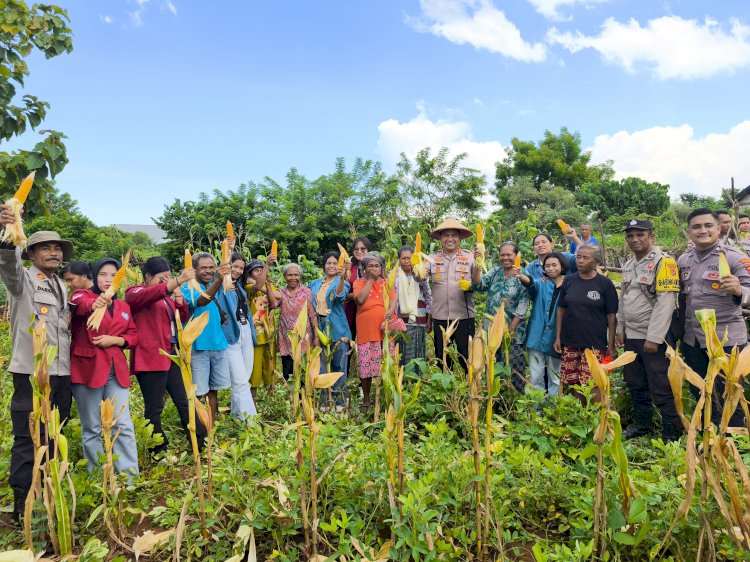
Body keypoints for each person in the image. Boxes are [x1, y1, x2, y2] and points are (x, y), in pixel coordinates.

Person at [0, 226, 74, 521]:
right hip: (31, 372)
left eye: (57, 248)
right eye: (45, 248)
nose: (54, 252)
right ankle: (22, 504)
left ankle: (47, 489)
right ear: (30, 253)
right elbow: (8, 262)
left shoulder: (60, 285)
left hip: (60, 372)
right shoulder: (22, 281)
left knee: (54, 433)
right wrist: (7, 232)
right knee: (27, 436)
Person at [126, 256, 207, 457]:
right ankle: (158, 450)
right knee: (154, 407)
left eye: (168, 277)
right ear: (147, 276)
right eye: (161, 278)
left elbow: (183, 317)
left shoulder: (166, 297)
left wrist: (178, 295)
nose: (166, 282)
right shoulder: (135, 292)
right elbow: (145, 296)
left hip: (171, 355)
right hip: (150, 358)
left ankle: (201, 443)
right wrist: (176, 282)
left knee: (184, 400)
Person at [678, 208, 750, 428]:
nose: (703, 230)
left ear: (718, 228)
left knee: (730, 393)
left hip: (725, 341)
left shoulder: (735, 258)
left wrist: (739, 291)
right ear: (689, 232)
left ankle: (734, 444)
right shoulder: (683, 261)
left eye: (708, 225)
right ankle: (708, 439)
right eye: (696, 227)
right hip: (693, 340)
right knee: (701, 391)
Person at [70, 258, 139, 477]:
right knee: (92, 427)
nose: (108, 280)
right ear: (94, 277)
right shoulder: (83, 295)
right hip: (87, 370)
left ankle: (129, 477)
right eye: (103, 275)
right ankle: (98, 477)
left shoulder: (123, 306)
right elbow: (80, 305)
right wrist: (95, 303)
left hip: (115, 371)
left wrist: (116, 341)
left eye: (113, 275)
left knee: (123, 424)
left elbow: (133, 335)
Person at [616, 219, 682, 442]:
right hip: (632, 336)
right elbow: (624, 299)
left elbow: (666, 303)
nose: (634, 239)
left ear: (651, 236)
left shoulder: (664, 263)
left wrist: (654, 338)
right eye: (630, 235)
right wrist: (620, 328)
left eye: (640, 234)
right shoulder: (629, 264)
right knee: (635, 382)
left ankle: (672, 429)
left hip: (654, 337)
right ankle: (642, 424)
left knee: (661, 383)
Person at [553, 244, 618, 403]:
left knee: (593, 382)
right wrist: (558, 337)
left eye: (585, 258)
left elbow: (611, 316)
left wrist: (611, 345)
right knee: (574, 381)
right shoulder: (569, 281)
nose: (580, 261)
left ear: (595, 262)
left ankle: (597, 417)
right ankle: (581, 416)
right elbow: (561, 310)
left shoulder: (604, 284)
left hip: (595, 343)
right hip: (571, 341)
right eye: (578, 257)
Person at [181, 252, 231, 420]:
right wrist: (218, 280)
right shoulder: (188, 286)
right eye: (203, 268)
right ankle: (200, 426)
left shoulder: (212, 284)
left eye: (211, 267)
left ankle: (212, 423)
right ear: (194, 269)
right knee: (198, 391)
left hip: (217, 344)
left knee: (213, 388)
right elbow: (201, 301)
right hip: (198, 347)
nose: (208, 271)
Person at [472, 241, 528, 393]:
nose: (505, 258)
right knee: (492, 363)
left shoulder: (522, 275)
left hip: (513, 330)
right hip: (490, 328)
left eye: (509, 254)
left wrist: (510, 329)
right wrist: (478, 264)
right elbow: (479, 285)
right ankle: (494, 397)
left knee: (513, 364)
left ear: (516, 256)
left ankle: (515, 398)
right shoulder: (495, 271)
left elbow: (523, 306)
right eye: (502, 254)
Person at [514, 252, 569, 398]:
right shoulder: (542, 283)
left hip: (556, 338)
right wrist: (521, 276)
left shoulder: (569, 286)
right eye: (547, 266)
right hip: (536, 336)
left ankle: (553, 409)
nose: (550, 268)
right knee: (535, 375)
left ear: (562, 266)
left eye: (554, 265)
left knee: (555, 376)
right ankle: (536, 410)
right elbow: (530, 282)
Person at [426, 218, 476, 373]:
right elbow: (419, 278)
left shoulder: (470, 257)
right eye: (446, 235)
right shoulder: (431, 258)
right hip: (440, 316)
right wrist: (416, 266)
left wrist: (471, 286)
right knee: (442, 358)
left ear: (460, 237)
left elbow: (480, 283)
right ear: (440, 238)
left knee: (466, 357)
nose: (450, 239)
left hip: (464, 316)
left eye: (454, 235)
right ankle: (446, 391)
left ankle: (470, 390)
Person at [215, 248, 257, 419]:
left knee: (245, 376)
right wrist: (228, 249)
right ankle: (250, 419)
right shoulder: (220, 284)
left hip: (245, 329)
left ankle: (237, 413)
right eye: (235, 266)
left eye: (241, 268)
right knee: (239, 379)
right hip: (231, 333)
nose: (238, 271)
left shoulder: (239, 285)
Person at [309, 251, 352, 410]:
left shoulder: (344, 282)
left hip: (337, 328)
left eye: (335, 263)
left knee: (339, 366)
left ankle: (340, 402)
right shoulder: (315, 283)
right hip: (318, 326)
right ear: (324, 266)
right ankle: (324, 402)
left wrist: (342, 277)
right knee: (321, 366)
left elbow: (338, 296)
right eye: (329, 263)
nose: (332, 266)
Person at [353, 252, 394, 410]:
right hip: (365, 330)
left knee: (385, 364)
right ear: (364, 268)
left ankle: (385, 397)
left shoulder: (386, 283)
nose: (374, 268)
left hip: (384, 331)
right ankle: (367, 400)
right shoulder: (359, 282)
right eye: (370, 265)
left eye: (377, 266)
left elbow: (393, 300)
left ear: (382, 268)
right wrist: (370, 280)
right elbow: (360, 300)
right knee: (366, 366)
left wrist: (390, 312)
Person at [245, 253, 280, 398]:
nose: (260, 272)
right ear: (249, 274)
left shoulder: (266, 285)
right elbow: (257, 285)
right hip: (256, 333)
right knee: (256, 367)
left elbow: (274, 303)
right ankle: (252, 397)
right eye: (256, 270)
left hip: (269, 332)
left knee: (269, 365)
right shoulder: (248, 287)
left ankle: (270, 397)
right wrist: (267, 265)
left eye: (261, 269)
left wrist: (267, 285)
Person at [393, 245, 432, 372]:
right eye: (403, 258)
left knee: (417, 352)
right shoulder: (395, 277)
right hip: (401, 322)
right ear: (399, 260)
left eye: (409, 258)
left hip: (419, 320)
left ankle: (416, 382)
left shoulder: (421, 276)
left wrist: (429, 319)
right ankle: (402, 380)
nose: (406, 261)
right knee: (402, 353)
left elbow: (428, 297)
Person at [277, 263, 318, 380]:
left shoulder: (307, 292)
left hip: (304, 340)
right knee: (288, 374)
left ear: (300, 276)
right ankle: (292, 398)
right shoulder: (281, 292)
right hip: (286, 340)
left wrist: (316, 337)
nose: (293, 278)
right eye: (289, 275)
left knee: (303, 374)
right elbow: (274, 305)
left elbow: (312, 315)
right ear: (285, 277)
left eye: (296, 275)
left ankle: (303, 398)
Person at [344, 237, 373, 341]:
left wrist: (354, 295)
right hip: (350, 310)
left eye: (363, 249)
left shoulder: (375, 266)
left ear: (368, 250)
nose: (359, 251)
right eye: (356, 249)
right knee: (348, 340)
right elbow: (342, 289)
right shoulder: (349, 268)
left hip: (369, 311)